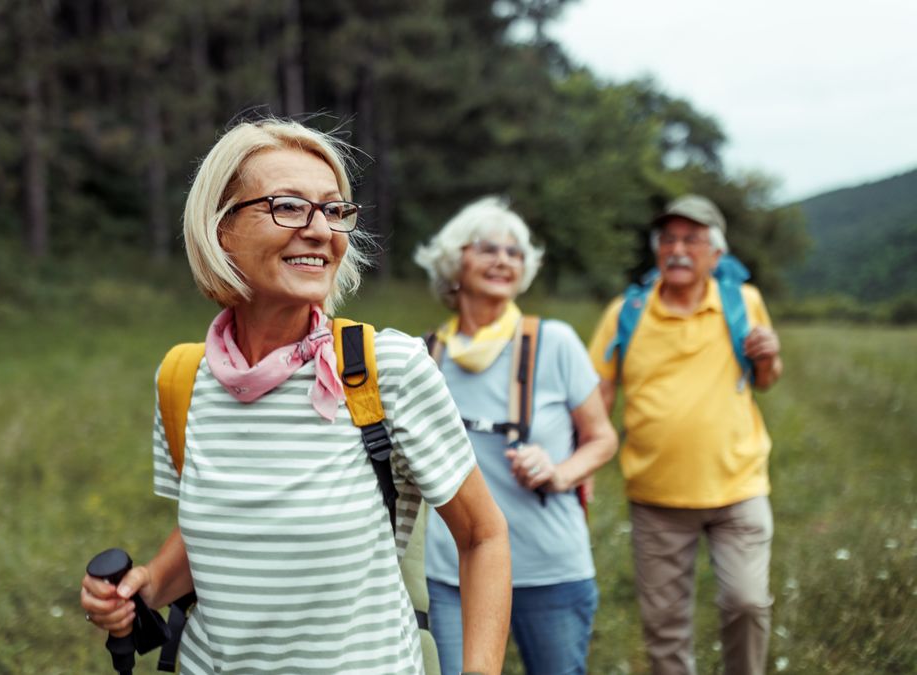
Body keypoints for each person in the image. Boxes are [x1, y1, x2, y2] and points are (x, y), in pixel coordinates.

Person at [79, 118, 512, 674]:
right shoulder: (184, 379)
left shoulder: (391, 369)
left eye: (333, 211)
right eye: (288, 206)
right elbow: (223, 531)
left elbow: (483, 536)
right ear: (220, 228)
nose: (319, 230)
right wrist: (147, 585)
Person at [413, 197, 618, 675]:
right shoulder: (424, 355)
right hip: (451, 572)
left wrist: (559, 471)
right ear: (453, 262)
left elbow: (603, 438)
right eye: (487, 248)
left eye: (515, 252)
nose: (503, 259)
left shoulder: (556, 342)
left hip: (548, 568)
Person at [586, 194, 783, 675]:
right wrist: (583, 464)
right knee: (665, 627)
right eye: (669, 238)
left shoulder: (744, 301)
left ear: (716, 254)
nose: (678, 249)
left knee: (747, 603)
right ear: (656, 249)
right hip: (656, 498)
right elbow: (599, 395)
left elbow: (766, 377)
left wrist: (769, 354)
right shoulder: (625, 312)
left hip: (739, 487)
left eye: (692, 240)